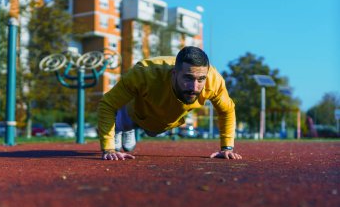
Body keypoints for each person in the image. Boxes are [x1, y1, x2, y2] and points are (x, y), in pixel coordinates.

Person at [98, 46, 242, 160]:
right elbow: (107, 104)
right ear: (174, 73)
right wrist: (108, 149)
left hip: (162, 122)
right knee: (126, 119)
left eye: (201, 79)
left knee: (153, 131)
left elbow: (227, 110)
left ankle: (128, 127)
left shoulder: (214, 81)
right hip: (136, 110)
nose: (194, 87)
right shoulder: (144, 73)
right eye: (188, 78)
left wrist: (227, 148)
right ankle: (122, 127)